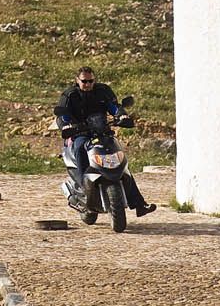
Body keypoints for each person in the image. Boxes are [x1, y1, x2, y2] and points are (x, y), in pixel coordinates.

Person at [55, 65, 157, 223]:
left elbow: (114, 106)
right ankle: (84, 185)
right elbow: (63, 115)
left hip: (102, 131)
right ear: (77, 80)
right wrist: (67, 125)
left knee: (121, 161)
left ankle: (139, 204)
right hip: (80, 133)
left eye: (91, 81)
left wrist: (121, 115)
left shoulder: (103, 91)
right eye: (84, 81)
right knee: (81, 148)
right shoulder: (70, 95)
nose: (88, 84)